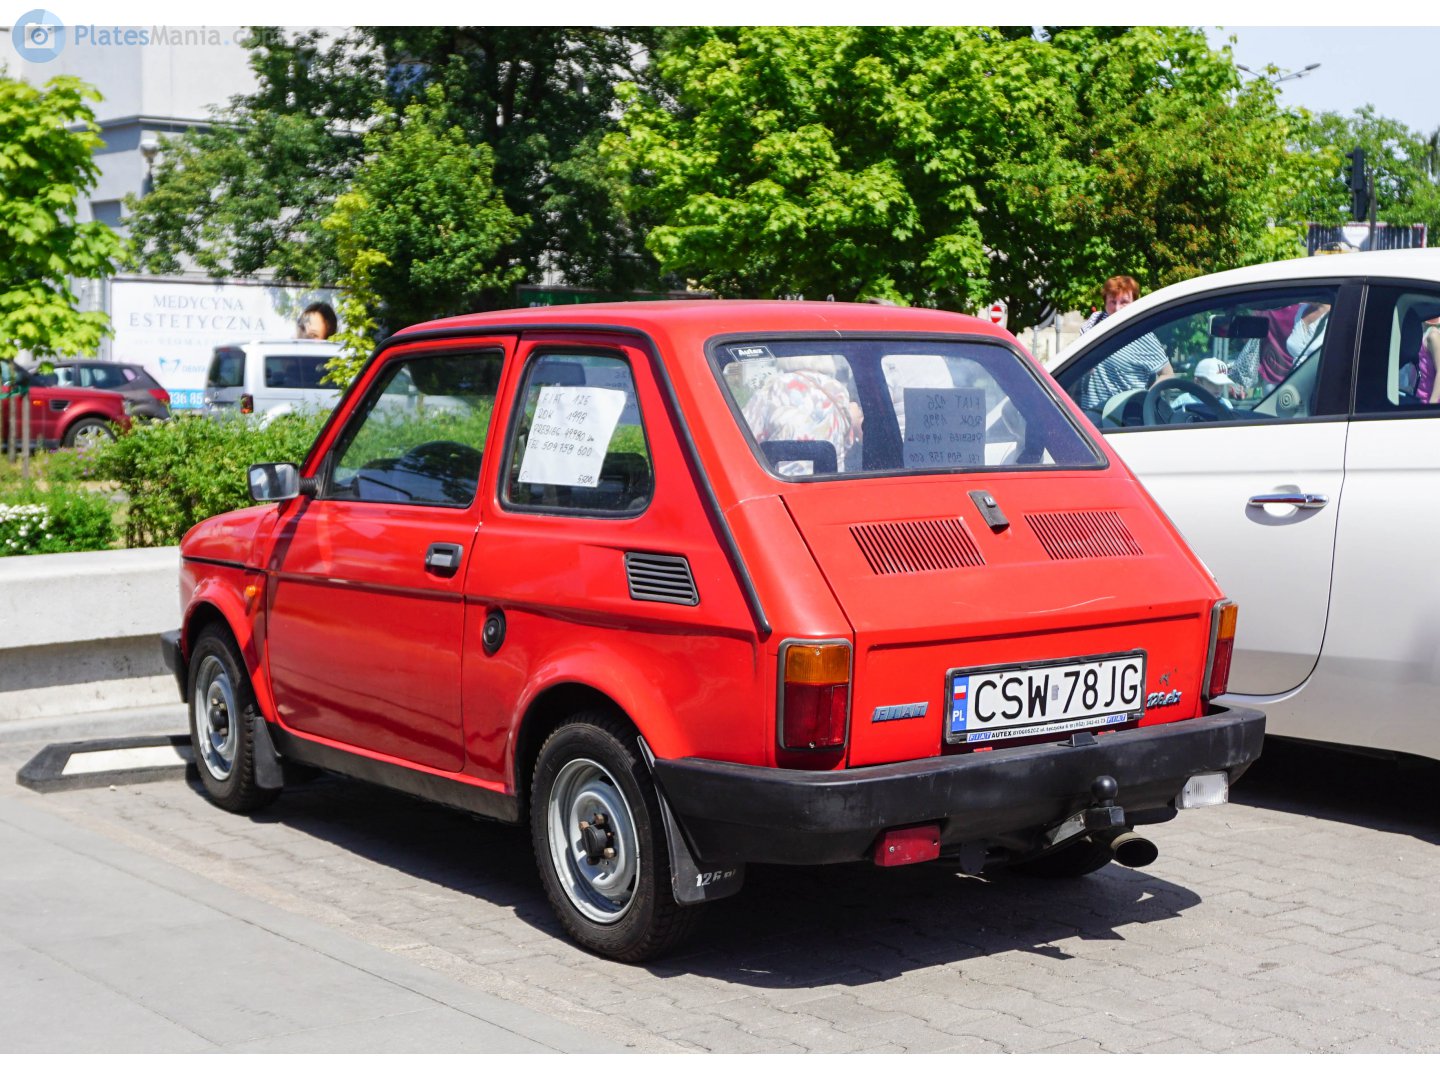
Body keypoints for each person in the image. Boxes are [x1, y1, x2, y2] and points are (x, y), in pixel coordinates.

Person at [742, 355, 863, 475]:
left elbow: (743, 440)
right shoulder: (839, 391)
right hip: (828, 483)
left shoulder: (776, 386)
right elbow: (846, 443)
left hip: (782, 483)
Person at [1418, 324, 1440, 405]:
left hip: (1429, 401)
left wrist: (1431, 406)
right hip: (1419, 399)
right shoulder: (1419, 333)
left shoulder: (1433, 336)